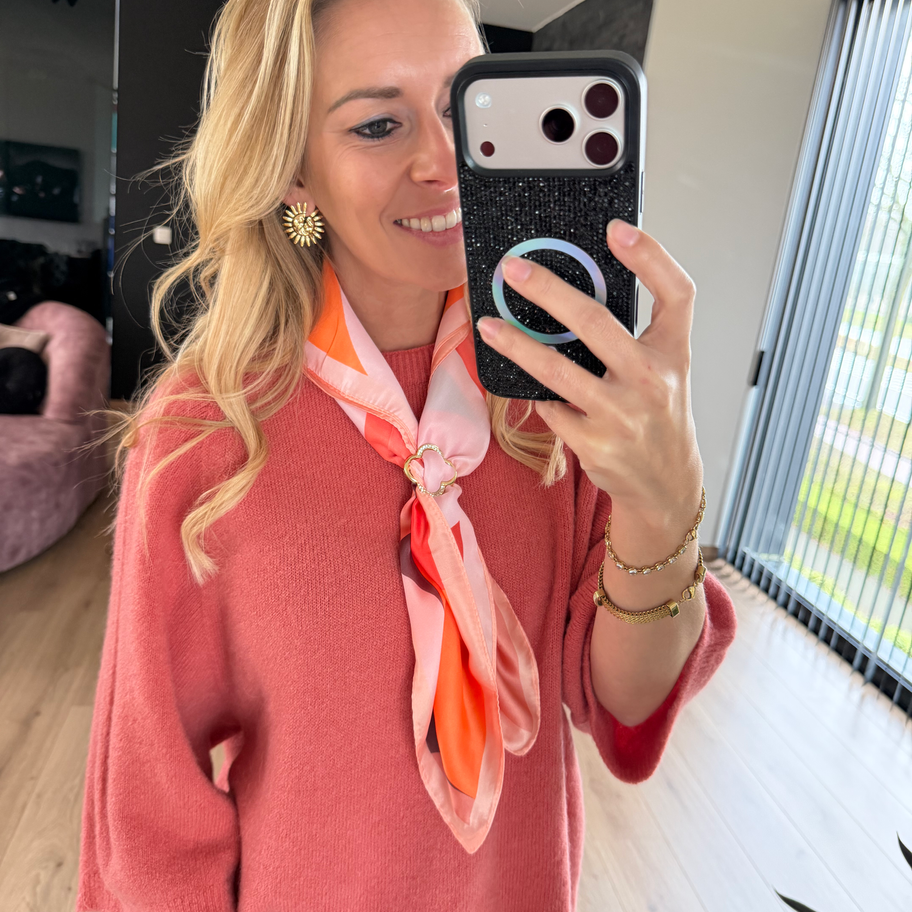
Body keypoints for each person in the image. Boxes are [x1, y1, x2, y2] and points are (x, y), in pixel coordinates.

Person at [76, 0, 737, 909]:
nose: (446, 162)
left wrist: (664, 505)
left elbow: (622, 708)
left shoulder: (565, 395)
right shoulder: (206, 436)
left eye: (465, 107)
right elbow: (150, 813)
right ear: (293, 170)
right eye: (378, 125)